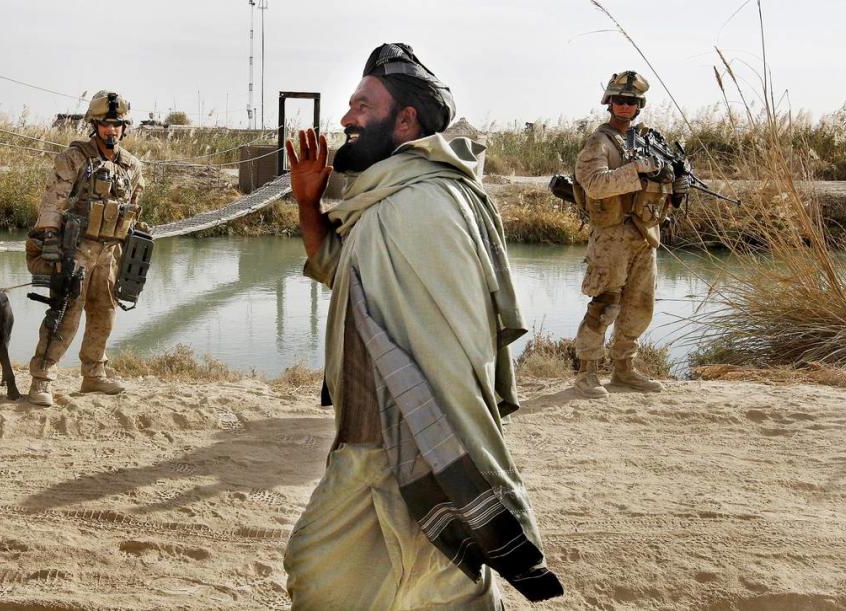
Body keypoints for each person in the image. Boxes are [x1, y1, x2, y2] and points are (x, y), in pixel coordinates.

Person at [283, 43, 563, 609]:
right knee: (323, 575)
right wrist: (308, 203)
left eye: (363, 104)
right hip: (369, 439)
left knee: (444, 582)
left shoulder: (425, 203)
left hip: (423, 437)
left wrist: (446, 446)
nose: (346, 118)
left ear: (405, 120)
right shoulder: (389, 197)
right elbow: (343, 273)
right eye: (350, 104)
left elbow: (454, 354)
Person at [571, 71, 690, 399]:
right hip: (611, 237)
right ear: (609, 102)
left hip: (646, 233)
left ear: (640, 106)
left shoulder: (649, 139)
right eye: (620, 100)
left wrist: (677, 188)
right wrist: (635, 169)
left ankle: (624, 369)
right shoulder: (599, 142)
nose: (625, 106)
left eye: (632, 102)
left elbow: (662, 186)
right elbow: (594, 185)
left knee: (639, 305)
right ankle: (587, 372)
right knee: (605, 304)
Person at [26, 90, 146, 407]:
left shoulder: (132, 166)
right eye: (105, 124)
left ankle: (94, 375)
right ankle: (42, 379)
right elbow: (54, 200)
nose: (111, 130)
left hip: (111, 251)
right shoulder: (74, 158)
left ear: (124, 127)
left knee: (104, 314)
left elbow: (134, 208)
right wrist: (49, 236)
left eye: (117, 124)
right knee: (65, 313)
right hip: (76, 249)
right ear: (94, 125)